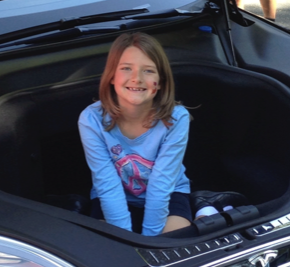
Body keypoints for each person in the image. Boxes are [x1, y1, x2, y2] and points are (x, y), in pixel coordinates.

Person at [78, 32, 245, 236]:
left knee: (176, 241)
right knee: (108, 244)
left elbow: (161, 182)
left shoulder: (176, 118)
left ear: (161, 81)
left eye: (148, 70)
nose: (137, 78)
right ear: (112, 76)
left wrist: (152, 238)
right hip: (115, 195)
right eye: (126, 68)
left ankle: (203, 207)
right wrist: (126, 237)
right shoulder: (91, 119)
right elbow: (107, 183)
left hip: (168, 193)